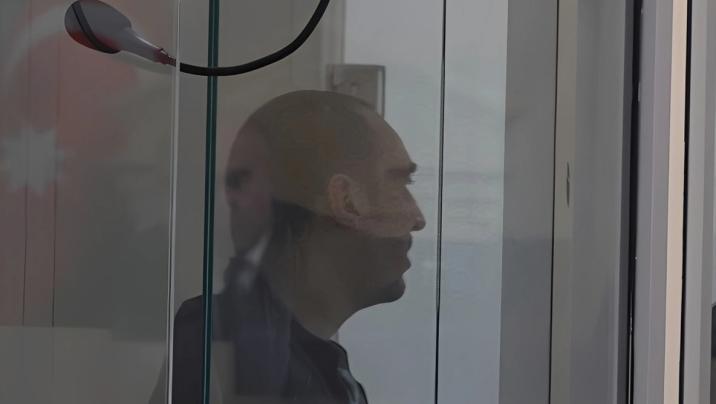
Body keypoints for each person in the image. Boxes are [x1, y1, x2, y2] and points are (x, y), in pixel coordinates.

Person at [165, 90, 425, 404]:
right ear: (346, 201)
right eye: (399, 185)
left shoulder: (310, 365)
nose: (418, 219)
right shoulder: (224, 346)